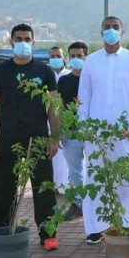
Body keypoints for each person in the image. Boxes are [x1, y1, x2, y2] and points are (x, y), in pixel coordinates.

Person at [77, 17, 129, 244]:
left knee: (127, 178)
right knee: (95, 177)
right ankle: (95, 227)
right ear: (101, 31)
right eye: (107, 28)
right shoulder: (91, 60)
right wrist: (85, 126)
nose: (111, 31)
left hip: (125, 131)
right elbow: (84, 97)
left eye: (115, 28)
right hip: (96, 132)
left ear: (122, 31)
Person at [0, 24, 59, 250]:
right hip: (7, 138)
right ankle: (2, 232)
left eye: (27, 39)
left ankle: (48, 235)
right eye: (18, 39)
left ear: (33, 42)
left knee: (44, 188)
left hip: (38, 139)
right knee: (4, 188)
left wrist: (54, 137)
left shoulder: (44, 71)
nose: (22, 43)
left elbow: (53, 106)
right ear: (11, 42)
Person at [57, 41, 88, 220]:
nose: (76, 59)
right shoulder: (64, 80)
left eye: (79, 56)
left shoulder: (91, 79)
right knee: (74, 171)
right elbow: (59, 106)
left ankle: (94, 205)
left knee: (93, 169)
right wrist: (60, 129)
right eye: (73, 56)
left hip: (91, 132)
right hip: (71, 132)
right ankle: (77, 204)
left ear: (86, 57)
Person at [48, 46, 70, 192]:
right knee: (51, 154)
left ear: (64, 57)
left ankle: (67, 185)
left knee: (66, 154)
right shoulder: (45, 74)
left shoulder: (69, 75)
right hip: (49, 120)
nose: (56, 58)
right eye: (53, 56)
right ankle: (53, 185)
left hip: (66, 119)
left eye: (58, 56)